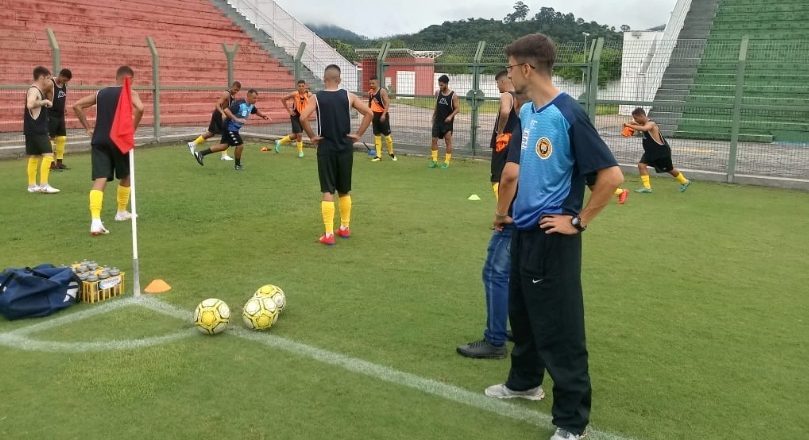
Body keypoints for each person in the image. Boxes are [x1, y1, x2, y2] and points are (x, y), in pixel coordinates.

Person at [485, 34, 624, 440]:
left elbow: (612, 177)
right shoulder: (528, 113)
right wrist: (506, 213)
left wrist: (577, 222)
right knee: (524, 316)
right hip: (524, 232)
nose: (507, 76)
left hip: (553, 238)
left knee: (560, 329)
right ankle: (524, 382)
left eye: (510, 68)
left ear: (526, 68)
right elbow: (518, 171)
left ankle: (570, 422)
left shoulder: (568, 113)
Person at [456, 70, 519, 359]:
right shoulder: (546, 112)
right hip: (535, 209)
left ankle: (495, 341)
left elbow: (510, 176)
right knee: (519, 272)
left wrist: (500, 214)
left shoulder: (512, 99)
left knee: (495, 271)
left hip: (516, 210)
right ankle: (518, 329)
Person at [298, 64, 373, 246]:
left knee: (327, 190)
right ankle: (345, 228)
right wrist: (358, 135)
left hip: (326, 147)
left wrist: (312, 137)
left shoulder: (316, 98)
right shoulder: (349, 96)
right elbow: (369, 113)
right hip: (345, 147)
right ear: (339, 80)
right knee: (344, 190)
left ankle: (329, 234)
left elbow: (302, 118)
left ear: (324, 79)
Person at [73, 66, 145, 235]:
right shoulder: (129, 92)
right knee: (126, 175)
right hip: (119, 139)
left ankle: (96, 221)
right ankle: (121, 211)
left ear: (116, 77)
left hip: (99, 140)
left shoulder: (101, 93)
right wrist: (132, 129)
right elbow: (140, 109)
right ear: (130, 79)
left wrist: (88, 128)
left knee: (100, 178)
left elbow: (77, 105)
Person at [191, 89, 269, 170]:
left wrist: (262, 115)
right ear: (248, 96)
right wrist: (236, 119)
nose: (255, 100)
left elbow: (255, 111)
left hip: (232, 128)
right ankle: (237, 165)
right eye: (254, 98)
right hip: (230, 128)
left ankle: (200, 154)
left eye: (256, 98)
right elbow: (226, 110)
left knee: (223, 146)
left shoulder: (251, 105)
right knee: (240, 145)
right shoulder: (239, 104)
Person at [624, 107, 691, 193]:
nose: (635, 120)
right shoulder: (643, 124)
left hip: (661, 152)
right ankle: (647, 188)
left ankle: (685, 181)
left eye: (636, 118)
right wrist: (631, 123)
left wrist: (629, 125)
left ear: (641, 116)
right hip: (650, 152)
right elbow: (639, 125)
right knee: (641, 165)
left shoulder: (651, 124)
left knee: (669, 169)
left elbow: (644, 128)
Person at [24, 66, 59, 194]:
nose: (49, 81)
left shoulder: (35, 89)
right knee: (48, 155)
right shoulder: (34, 91)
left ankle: (32, 185)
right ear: (42, 77)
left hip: (31, 129)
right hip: (37, 129)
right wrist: (44, 101)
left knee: (34, 156)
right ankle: (44, 185)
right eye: (48, 78)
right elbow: (30, 104)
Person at [187, 81, 241, 161]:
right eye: (235, 89)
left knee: (211, 133)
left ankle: (193, 143)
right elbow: (217, 104)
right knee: (226, 133)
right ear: (232, 87)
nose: (236, 91)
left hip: (220, 115)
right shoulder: (226, 94)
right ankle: (224, 155)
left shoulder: (232, 96)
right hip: (219, 114)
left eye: (238, 90)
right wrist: (222, 113)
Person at [272, 79, 310, 158]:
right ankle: (300, 152)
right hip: (295, 116)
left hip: (303, 117)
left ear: (305, 86)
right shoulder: (294, 94)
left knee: (295, 135)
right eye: (299, 86)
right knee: (299, 134)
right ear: (297, 87)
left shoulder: (309, 94)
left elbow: (313, 102)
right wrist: (289, 111)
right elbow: (283, 99)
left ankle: (279, 142)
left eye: (303, 86)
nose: (301, 87)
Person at [428, 74, 460, 169]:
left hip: (447, 123)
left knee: (448, 141)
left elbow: (457, 109)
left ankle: (446, 161)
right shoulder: (438, 93)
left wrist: (450, 116)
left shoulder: (453, 95)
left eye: (442, 85)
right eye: (439, 85)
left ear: (446, 84)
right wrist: (433, 116)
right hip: (437, 121)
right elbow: (437, 106)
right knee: (434, 140)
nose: (440, 87)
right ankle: (434, 161)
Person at [44, 68, 72, 170]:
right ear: (60, 75)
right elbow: (42, 95)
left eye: (66, 81)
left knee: (62, 138)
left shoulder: (64, 85)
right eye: (64, 80)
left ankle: (59, 162)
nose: (65, 82)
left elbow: (63, 96)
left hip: (60, 115)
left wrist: (64, 107)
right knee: (51, 138)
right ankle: (50, 162)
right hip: (50, 114)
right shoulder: (50, 83)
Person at [368, 76, 395, 162]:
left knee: (387, 136)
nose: (371, 85)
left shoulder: (382, 91)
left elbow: (387, 103)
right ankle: (378, 155)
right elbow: (370, 104)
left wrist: (383, 115)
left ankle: (391, 153)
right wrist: (369, 114)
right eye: (370, 83)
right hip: (374, 115)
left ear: (377, 82)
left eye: (373, 83)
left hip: (382, 115)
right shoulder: (371, 92)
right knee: (377, 135)